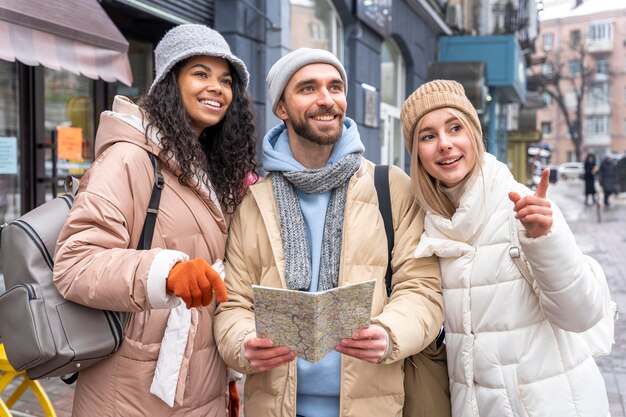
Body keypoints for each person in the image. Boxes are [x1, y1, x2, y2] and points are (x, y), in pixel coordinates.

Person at [213, 48, 446, 417]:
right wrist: (244, 344)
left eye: (335, 87)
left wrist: (389, 333)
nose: (326, 99)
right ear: (282, 108)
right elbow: (233, 303)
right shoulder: (253, 202)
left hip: (373, 405)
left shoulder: (390, 187)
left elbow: (422, 288)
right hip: (276, 407)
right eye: (308, 88)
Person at [53, 24, 257, 416]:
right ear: (169, 81)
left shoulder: (206, 164)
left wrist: (226, 377)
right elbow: (75, 262)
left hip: (200, 380)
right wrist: (166, 271)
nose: (216, 87)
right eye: (200, 73)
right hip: (131, 387)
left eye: (226, 80)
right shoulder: (129, 157)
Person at [400, 80, 609, 417]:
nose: (445, 144)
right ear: (416, 153)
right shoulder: (428, 225)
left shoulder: (523, 208)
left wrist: (546, 240)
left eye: (455, 128)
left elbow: (581, 315)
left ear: (474, 135)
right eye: (428, 136)